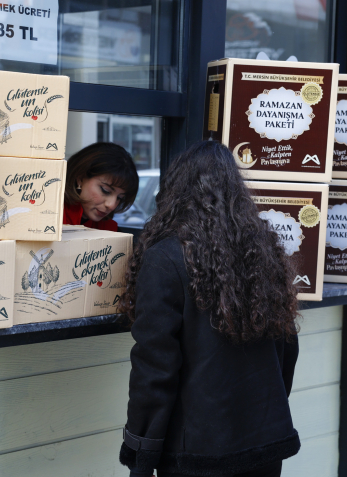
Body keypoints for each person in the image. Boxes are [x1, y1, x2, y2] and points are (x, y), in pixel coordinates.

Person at [118, 141, 301, 477]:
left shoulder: (165, 258)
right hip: (264, 444)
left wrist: (141, 455)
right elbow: (287, 348)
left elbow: (154, 369)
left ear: (173, 191)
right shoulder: (263, 251)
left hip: (197, 451)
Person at [63, 142, 139, 231]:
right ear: (80, 178)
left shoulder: (109, 229)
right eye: (105, 190)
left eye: (119, 198)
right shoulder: (52, 215)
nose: (111, 205)